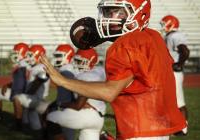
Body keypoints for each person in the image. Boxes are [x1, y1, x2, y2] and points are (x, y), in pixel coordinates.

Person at [40, 0, 187, 139]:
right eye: (109, 12)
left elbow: (109, 92)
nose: (112, 18)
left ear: (140, 13)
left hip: (137, 128)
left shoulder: (124, 45)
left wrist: (63, 81)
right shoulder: (153, 36)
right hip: (158, 125)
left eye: (119, 13)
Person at [44, 48, 106, 140]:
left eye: (80, 61)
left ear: (91, 61)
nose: (77, 64)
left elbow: (78, 106)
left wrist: (61, 104)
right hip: (99, 117)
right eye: (76, 60)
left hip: (87, 115)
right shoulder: (100, 71)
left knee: (51, 118)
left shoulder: (85, 77)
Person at [37, 44, 77, 140]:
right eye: (56, 56)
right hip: (63, 104)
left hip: (68, 106)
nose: (56, 59)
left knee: (54, 122)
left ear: (68, 56)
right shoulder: (64, 69)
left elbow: (74, 91)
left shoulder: (68, 71)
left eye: (59, 56)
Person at [160, 15, 190, 135]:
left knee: (179, 101)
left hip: (174, 73)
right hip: (169, 72)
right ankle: (175, 126)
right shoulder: (169, 36)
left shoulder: (175, 36)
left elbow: (185, 50)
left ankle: (183, 128)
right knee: (168, 101)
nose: (162, 26)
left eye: (164, 24)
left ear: (170, 24)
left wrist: (179, 63)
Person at [13, 44, 50, 134]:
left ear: (38, 56)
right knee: (35, 128)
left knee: (17, 98)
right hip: (34, 98)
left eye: (30, 55)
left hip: (37, 98)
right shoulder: (35, 67)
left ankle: (18, 127)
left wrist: (29, 91)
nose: (28, 57)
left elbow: (43, 77)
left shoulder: (40, 67)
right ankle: (38, 130)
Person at [0, 42, 29, 121]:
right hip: (21, 91)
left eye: (16, 52)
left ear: (22, 53)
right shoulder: (22, 64)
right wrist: (7, 85)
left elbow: (23, 82)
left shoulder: (23, 65)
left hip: (23, 93)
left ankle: (2, 117)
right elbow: (19, 81)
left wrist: (9, 86)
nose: (13, 54)